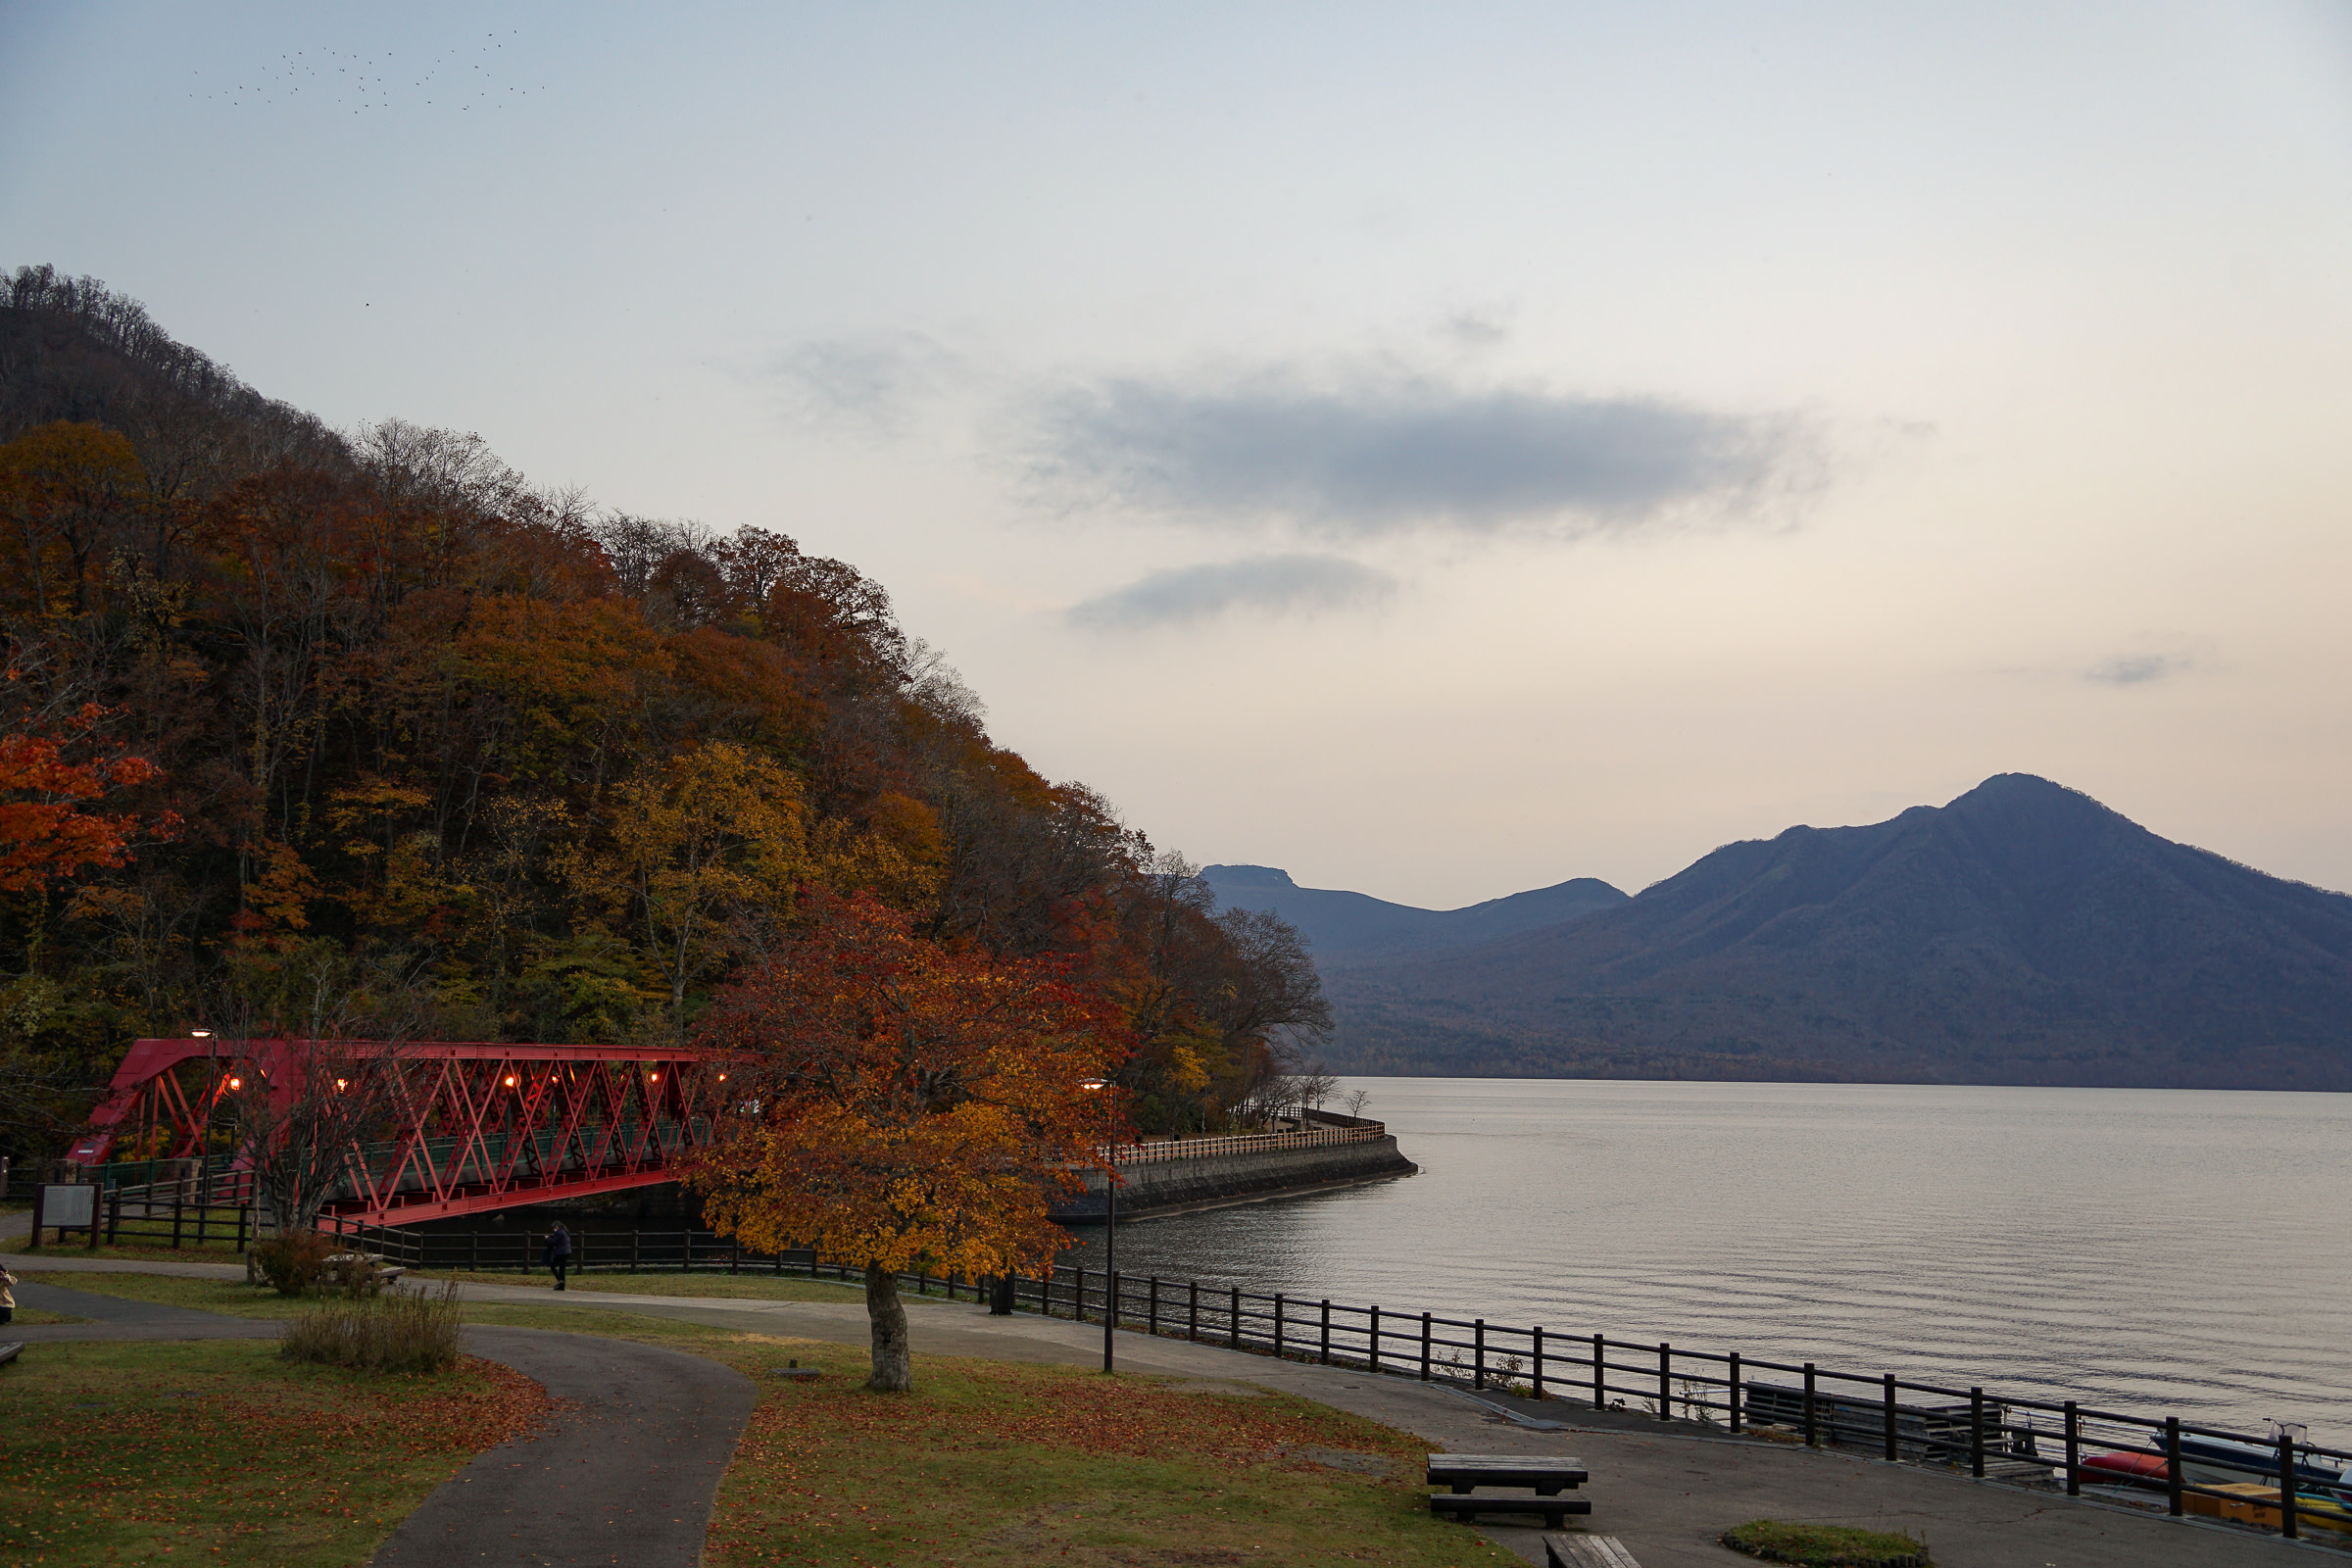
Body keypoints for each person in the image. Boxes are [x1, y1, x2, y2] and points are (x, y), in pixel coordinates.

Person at [542, 1221, 572, 1291]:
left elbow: (553, 1242)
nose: (553, 1230)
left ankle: (560, 1281)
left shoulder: (559, 1233)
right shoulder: (564, 1232)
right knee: (562, 1268)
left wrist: (547, 1238)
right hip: (567, 1252)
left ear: (557, 1227)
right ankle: (562, 1284)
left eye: (554, 1228)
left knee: (553, 1266)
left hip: (561, 1252)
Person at [0, 1261, 16, 1325]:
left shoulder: (5, 1279)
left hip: (5, 1302)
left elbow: (12, 1281)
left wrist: (5, 1278)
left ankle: (6, 1316)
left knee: (2, 1319)